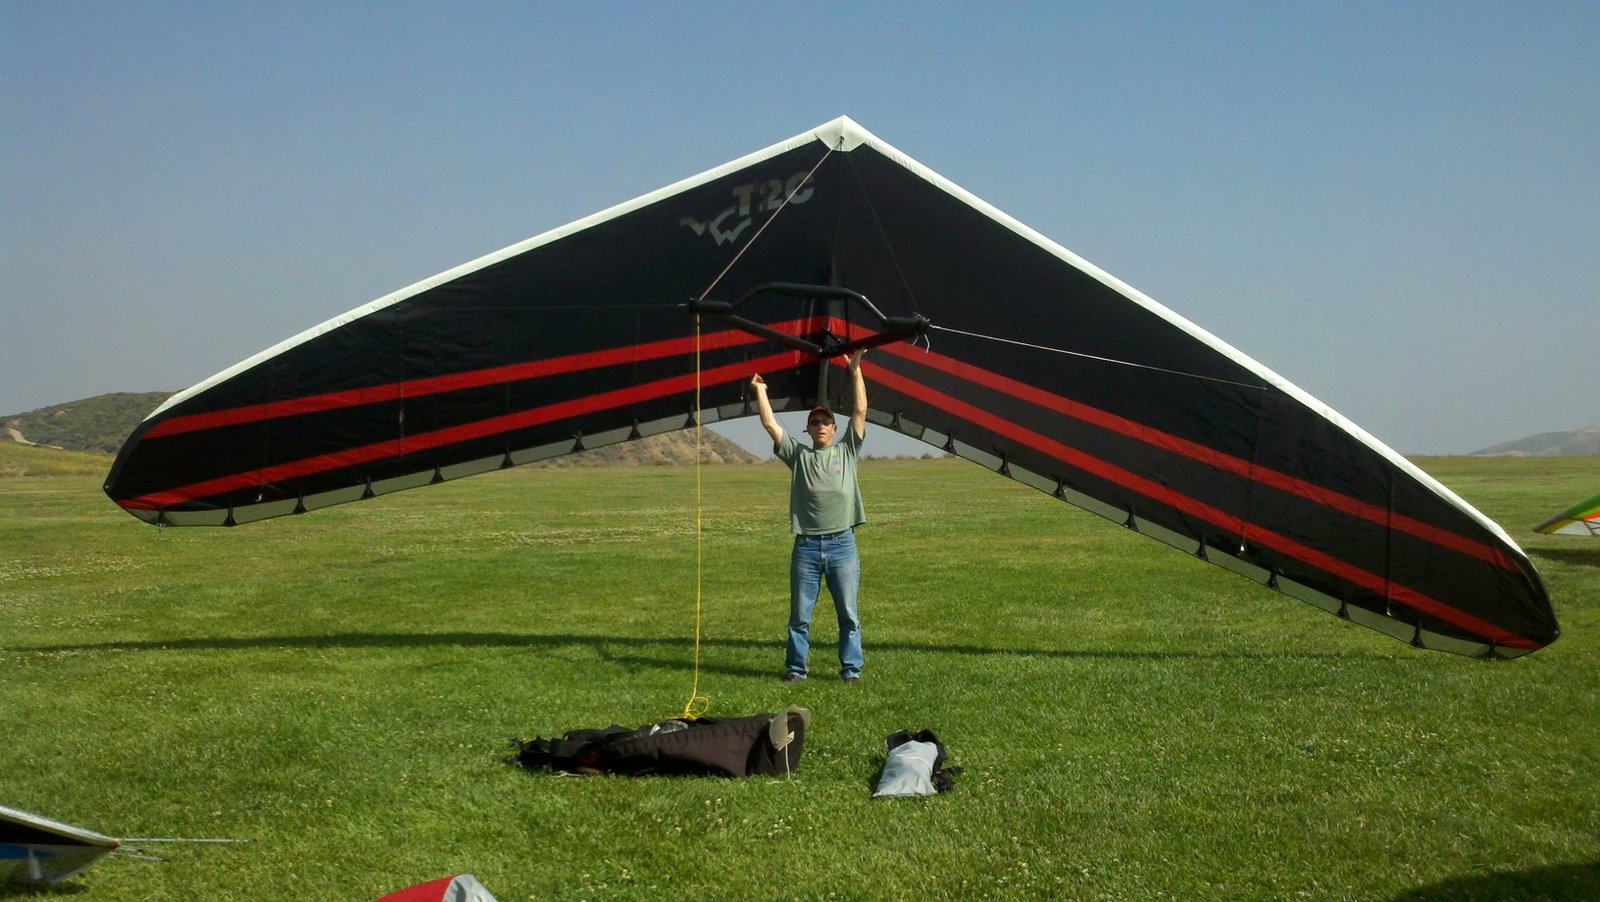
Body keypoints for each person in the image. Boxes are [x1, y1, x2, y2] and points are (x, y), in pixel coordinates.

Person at [750, 350, 869, 683]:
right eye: (814, 422)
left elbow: (860, 410)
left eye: (825, 422)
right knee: (799, 616)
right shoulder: (798, 455)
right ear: (808, 429)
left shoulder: (847, 450)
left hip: (842, 544)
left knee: (848, 615)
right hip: (806, 547)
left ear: (834, 428)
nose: (820, 426)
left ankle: (851, 670)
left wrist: (855, 371)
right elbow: (771, 425)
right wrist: (760, 390)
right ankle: (796, 669)